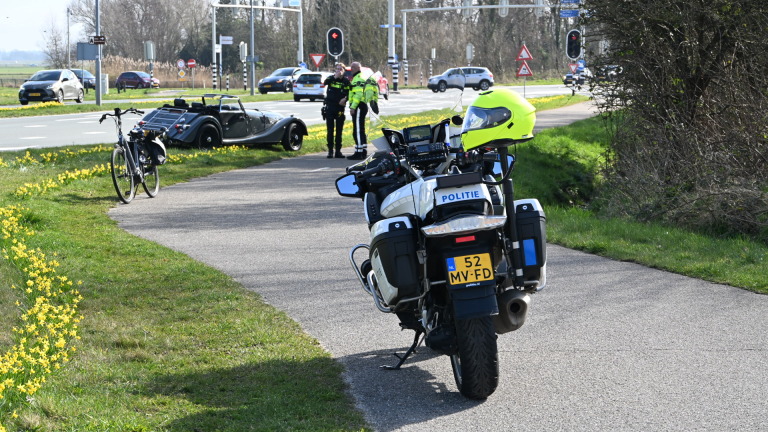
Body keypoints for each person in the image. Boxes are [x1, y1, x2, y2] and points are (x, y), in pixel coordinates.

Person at [322, 63, 350, 158]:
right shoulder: (331, 79)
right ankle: (330, 151)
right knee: (330, 130)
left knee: (339, 130)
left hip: (339, 109)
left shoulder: (346, 81)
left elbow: (349, 93)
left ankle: (338, 151)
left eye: (340, 69)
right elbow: (324, 83)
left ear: (344, 70)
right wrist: (335, 77)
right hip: (330, 107)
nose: (338, 70)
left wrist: (346, 99)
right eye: (337, 69)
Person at [346, 61, 369, 160]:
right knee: (360, 129)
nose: (351, 70)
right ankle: (363, 150)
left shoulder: (358, 78)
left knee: (358, 130)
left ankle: (359, 152)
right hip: (361, 105)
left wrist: (353, 107)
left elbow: (358, 95)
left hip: (359, 106)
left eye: (353, 68)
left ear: (357, 68)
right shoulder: (358, 77)